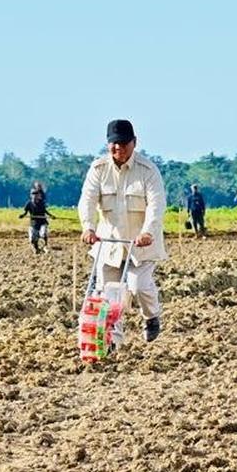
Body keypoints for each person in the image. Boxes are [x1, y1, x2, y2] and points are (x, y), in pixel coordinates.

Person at [78, 119, 168, 342]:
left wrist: (148, 232)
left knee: (139, 287)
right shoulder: (98, 169)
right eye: (114, 144)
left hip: (141, 246)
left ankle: (151, 317)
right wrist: (88, 227)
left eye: (124, 143)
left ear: (134, 143)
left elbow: (156, 206)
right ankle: (112, 343)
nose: (118, 148)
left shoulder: (148, 170)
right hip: (109, 245)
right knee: (109, 295)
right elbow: (87, 201)